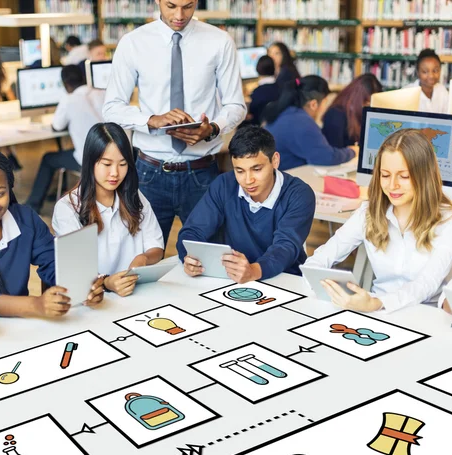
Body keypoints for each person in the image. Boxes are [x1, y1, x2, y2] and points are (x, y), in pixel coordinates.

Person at [103, 0, 246, 244]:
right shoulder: (133, 42)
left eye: (188, 6)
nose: (179, 15)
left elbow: (236, 106)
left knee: (209, 257)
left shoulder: (219, 41)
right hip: (149, 174)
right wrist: (151, 120)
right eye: (171, 6)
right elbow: (111, 108)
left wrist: (212, 129)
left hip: (202, 173)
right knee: (143, 257)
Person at [303, 129, 452, 313]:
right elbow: (322, 257)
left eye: (404, 176)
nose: (392, 185)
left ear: (424, 176)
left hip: (424, 314)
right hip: (376, 311)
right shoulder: (368, 212)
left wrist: (377, 303)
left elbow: (426, 284)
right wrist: (319, 282)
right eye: (385, 175)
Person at [0, 150, 105, 317]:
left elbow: (54, 263)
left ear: (10, 189)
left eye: (0, 193)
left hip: (22, 324)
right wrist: (35, 305)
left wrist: (82, 286)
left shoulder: (25, 218)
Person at [177, 125, 315, 283]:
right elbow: (192, 232)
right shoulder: (224, 185)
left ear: (275, 160)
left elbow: (285, 246)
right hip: (231, 279)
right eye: (240, 171)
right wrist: (188, 258)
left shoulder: (299, 194)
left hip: (285, 279)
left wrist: (254, 270)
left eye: (256, 169)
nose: (248, 180)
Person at [53, 123, 164, 297]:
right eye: (106, 164)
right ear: (90, 163)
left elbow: (156, 247)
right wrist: (106, 282)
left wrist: (144, 258)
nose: (115, 173)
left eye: (122, 164)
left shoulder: (135, 197)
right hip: (91, 299)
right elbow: (76, 270)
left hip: (133, 294)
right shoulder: (67, 208)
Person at [26, 65, 104, 213]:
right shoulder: (101, 93)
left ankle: (33, 205)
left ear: (66, 84)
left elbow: (57, 126)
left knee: (48, 158)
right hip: (109, 155)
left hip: (87, 160)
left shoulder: (69, 99)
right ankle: (57, 190)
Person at [264, 76, 356, 171]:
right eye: (325, 102)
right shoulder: (301, 121)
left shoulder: (287, 112)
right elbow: (326, 158)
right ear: (313, 104)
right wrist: (352, 152)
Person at [322, 73, 383, 147]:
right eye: (366, 103)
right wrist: (353, 151)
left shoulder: (362, 113)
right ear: (357, 98)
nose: (369, 107)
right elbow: (334, 152)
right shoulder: (336, 115)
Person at [410, 48, 449, 114]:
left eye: (435, 71)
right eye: (425, 72)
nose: (431, 76)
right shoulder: (408, 93)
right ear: (417, 72)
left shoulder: (442, 90)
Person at [248, 55, 279, 125]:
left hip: (259, 129)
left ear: (257, 69)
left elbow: (252, 114)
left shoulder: (257, 92)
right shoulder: (281, 88)